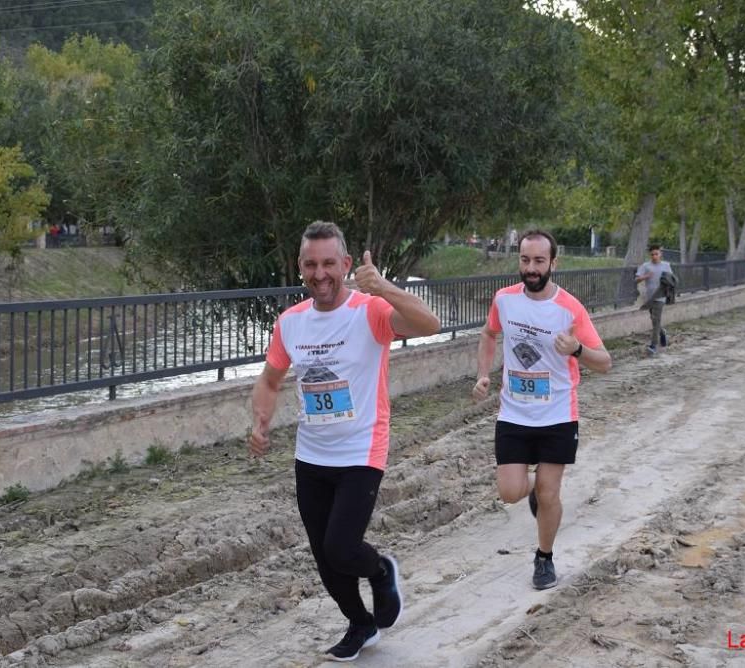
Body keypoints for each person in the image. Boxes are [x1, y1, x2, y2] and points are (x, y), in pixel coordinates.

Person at [248, 221, 441, 661]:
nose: (320, 274)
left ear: (346, 264)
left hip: (361, 450)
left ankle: (379, 570)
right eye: (311, 264)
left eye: (329, 264)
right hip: (311, 455)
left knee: (341, 547)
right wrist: (261, 420)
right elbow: (270, 378)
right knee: (324, 558)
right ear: (301, 266)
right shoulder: (291, 323)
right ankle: (360, 623)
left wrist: (385, 287)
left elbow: (429, 323)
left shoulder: (369, 311)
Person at [472, 229, 612, 591]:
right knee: (508, 491)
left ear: (553, 263)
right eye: (524, 260)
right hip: (514, 414)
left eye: (538, 261)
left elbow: (605, 362)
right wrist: (484, 375)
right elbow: (489, 334)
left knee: (550, 494)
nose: (531, 268)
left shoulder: (569, 308)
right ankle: (535, 486)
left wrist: (578, 349)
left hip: (557, 416)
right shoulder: (504, 300)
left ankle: (544, 558)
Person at [635, 245, 674, 354]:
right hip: (649, 297)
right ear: (650, 255)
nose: (654, 256)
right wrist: (646, 276)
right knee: (654, 320)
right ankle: (662, 333)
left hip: (660, 296)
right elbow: (637, 279)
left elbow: (672, 280)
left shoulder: (666, 265)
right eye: (652, 254)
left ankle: (653, 345)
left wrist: (668, 285)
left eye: (656, 254)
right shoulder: (645, 266)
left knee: (656, 320)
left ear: (660, 254)